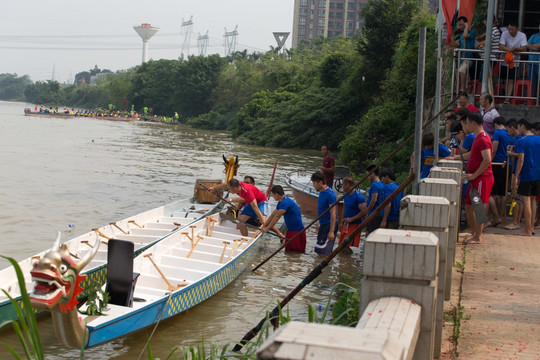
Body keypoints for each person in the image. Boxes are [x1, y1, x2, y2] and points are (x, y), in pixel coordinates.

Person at [463, 112, 494, 244]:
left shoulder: (483, 139)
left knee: (478, 206)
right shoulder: (477, 138)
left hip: (482, 178)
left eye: (468, 122)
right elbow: (473, 154)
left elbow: (487, 159)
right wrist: (455, 157)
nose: (467, 126)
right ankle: (474, 232)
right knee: (469, 205)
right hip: (475, 178)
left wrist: (474, 175)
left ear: (473, 123)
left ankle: (478, 236)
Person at [513, 118, 540, 236]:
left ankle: (527, 230)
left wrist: (516, 176)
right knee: (533, 200)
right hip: (537, 173)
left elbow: (521, 159)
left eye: (518, 127)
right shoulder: (538, 139)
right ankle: (531, 227)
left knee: (526, 201)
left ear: (522, 126)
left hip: (527, 174)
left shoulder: (522, 141)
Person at [262, 185, 305, 253]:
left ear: (276, 194)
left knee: (294, 253)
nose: (272, 197)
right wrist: (264, 226)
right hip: (290, 230)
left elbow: (276, 217)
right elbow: (273, 214)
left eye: (272, 195)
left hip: (296, 231)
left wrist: (267, 229)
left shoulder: (285, 202)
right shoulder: (281, 202)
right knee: (289, 254)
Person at [488, 116, 513, 227]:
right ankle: (502, 217)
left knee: (493, 193)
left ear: (495, 124)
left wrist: (488, 161)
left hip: (497, 164)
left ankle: (494, 216)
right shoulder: (510, 134)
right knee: (503, 193)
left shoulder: (498, 133)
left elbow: (494, 148)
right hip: (508, 164)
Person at [499, 22, 528, 103]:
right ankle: (505, 95)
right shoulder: (505, 34)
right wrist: (510, 50)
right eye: (509, 29)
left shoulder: (522, 35)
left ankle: (507, 98)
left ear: (517, 29)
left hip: (515, 62)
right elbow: (501, 46)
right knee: (504, 79)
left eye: (512, 29)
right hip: (504, 60)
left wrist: (516, 49)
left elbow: (524, 47)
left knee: (511, 79)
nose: (510, 31)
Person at [338, 176, 367, 252]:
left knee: (345, 244)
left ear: (347, 184)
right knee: (341, 245)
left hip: (354, 224)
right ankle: (346, 262)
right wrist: (341, 222)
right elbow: (344, 207)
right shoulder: (345, 194)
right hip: (346, 223)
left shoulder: (358, 196)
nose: (342, 186)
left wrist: (352, 219)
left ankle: (351, 259)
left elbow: (364, 212)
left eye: (343, 184)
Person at [311, 172, 337, 255]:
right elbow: (322, 210)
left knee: (323, 253)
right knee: (318, 250)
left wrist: (331, 231)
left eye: (314, 183)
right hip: (323, 223)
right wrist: (319, 223)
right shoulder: (321, 192)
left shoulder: (330, 194)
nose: (313, 185)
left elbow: (333, 213)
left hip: (329, 225)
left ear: (320, 182)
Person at [453, 17, 477, 91]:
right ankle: (458, 88)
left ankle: (462, 89)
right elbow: (458, 44)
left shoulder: (472, 32)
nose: (460, 26)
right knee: (458, 71)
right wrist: (451, 46)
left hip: (469, 57)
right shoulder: (461, 35)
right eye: (459, 25)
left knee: (462, 69)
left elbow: (465, 36)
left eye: (461, 24)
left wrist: (466, 26)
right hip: (462, 58)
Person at [365, 165, 385, 235]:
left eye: (368, 175)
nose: (368, 177)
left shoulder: (374, 185)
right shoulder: (382, 184)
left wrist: (366, 211)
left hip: (373, 213)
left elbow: (374, 200)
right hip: (381, 213)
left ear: (372, 173)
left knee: (369, 234)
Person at [526, 20, 540, 96]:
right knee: (531, 82)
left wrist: (533, 46)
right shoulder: (534, 36)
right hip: (532, 63)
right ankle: (530, 99)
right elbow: (527, 45)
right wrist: (536, 47)